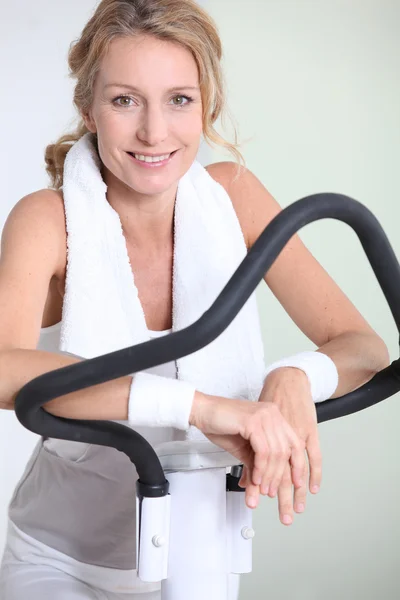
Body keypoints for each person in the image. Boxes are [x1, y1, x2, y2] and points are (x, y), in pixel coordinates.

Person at [0, 0, 389, 598]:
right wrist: (199, 407)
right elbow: (1, 367)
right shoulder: (47, 219)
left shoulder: (235, 196)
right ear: (88, 109)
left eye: (179, 99)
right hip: (60, 559)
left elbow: (364, 348)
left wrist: (292, 377)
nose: (155, 132)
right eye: (125, 99)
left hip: (203, 548)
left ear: (206, 103)